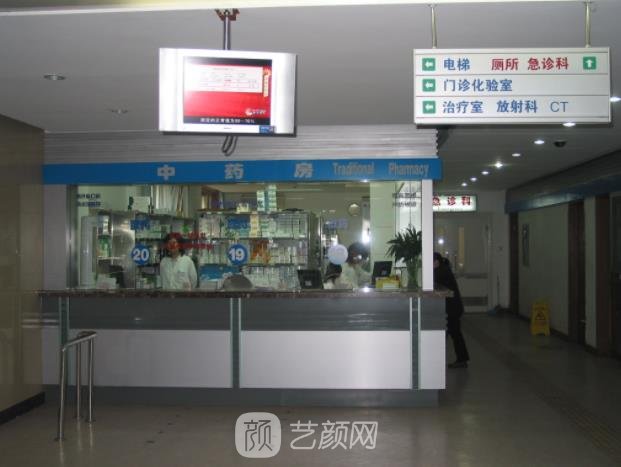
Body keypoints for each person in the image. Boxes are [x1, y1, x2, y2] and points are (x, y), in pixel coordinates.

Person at [434, 252, 470, 368]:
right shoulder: (443, 269)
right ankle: (462, 359)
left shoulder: (441, 271)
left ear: (436, 261)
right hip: (452, 308)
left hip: (452, 309)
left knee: (454, 334)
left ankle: (461, 359)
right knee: (454, 334)